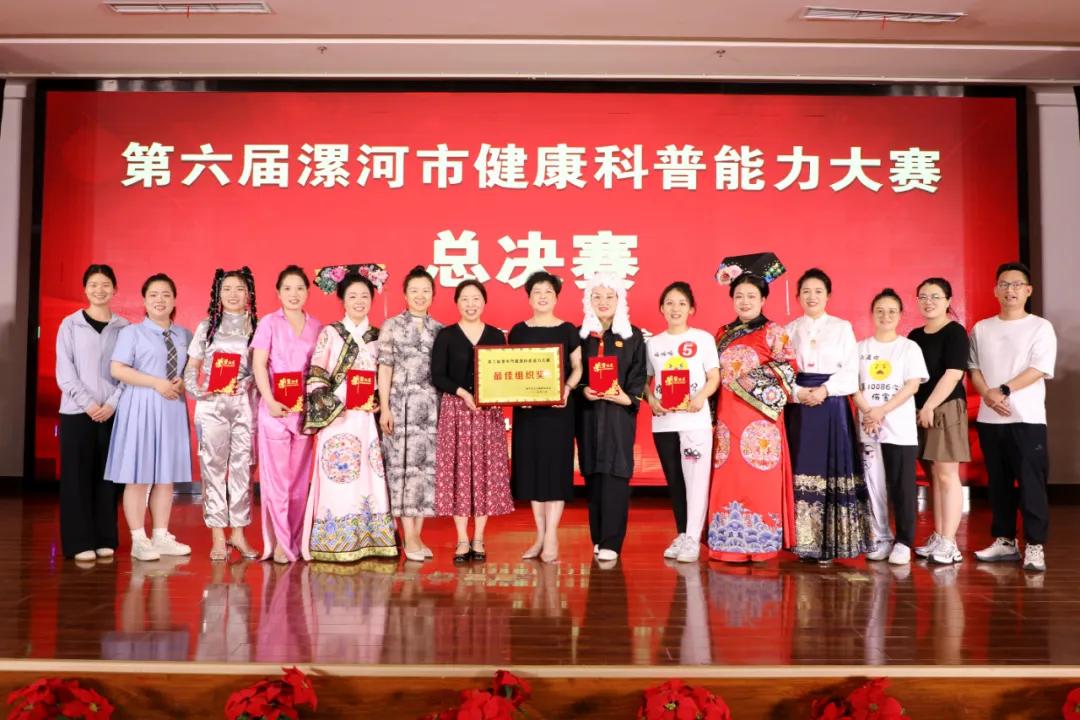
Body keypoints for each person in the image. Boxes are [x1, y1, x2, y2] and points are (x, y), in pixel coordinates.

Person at [302, 270, 398, 562]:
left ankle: (371, 540)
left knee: (368, 476)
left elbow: (385, 378)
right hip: (338, 417)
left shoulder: (378, 336)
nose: (359, 301)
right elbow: (316, 375)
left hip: (366, 420)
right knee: (339, 475)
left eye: (365, 296)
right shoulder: (330, 333)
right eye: (352, 296)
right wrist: (333, 407)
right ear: (342, 300)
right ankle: (335, 540)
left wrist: (378, 401)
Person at [706, 265, 798, 563]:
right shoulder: (722, 333)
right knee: (729, 479)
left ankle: (761, 544)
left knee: (760, 481)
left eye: (751, 296)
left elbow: (788, 369)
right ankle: (726, 544)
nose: (745, 302)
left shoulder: (775, 332)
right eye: (739, 296)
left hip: (761, 420)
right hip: (727, 417)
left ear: (763, 300)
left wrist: (744, 381)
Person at [969, 262, 1057, 572]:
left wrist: (1004, 390)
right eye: (1004, 284)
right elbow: (973, 368)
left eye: (1017, 284)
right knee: (998, 484)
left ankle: (1035, 545)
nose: (1011, 290)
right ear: (995, 290)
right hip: (991, 418)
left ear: (1028, 290)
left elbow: (1039, 368)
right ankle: (1005, 541)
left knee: (1031, 484)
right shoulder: (981, 328)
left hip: (1027, 419)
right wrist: (987, 394)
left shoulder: (1040, 327)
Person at [104, 273, 193, 562]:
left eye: (166, 294)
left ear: (175, 300)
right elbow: (118, 369)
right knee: (138, 476)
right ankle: (139, 539)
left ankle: (161, 535)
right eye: (153, 294)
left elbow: (190, 371)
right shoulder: (132, 333)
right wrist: (156, 383)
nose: (160, 300)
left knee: (166, 476)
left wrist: (182, 382)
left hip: (171, 408)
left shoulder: (185, 335)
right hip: (141, 406)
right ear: (144, 300)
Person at [785, 268, 871, 562]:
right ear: (798, 296)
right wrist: (797, 392)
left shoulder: (841, 327)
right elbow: (782, 370)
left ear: (828, 296)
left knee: (830, 469)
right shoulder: (788, 330)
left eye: (818, 291)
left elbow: (850, 370)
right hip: (799, 406)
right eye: (806, 291)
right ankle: (802, 541)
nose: (812, 296)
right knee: (801, 466)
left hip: (831, 404)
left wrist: (825, 390)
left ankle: (830, 544)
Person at [431, 279, 512, 564]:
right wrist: (464, 393)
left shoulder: (495, 336)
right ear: (457, 302)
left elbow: (502, 372)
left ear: (484, 302)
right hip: (456, 411)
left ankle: (478, 537)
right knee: (458, 473)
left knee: (485, 472)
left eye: (476, 298)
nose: (470, 304)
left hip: (487, 413)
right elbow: (438, 375)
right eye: (465, 298)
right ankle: (462, 539)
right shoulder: (446, 335)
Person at [184, 267, 260, 561]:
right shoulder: (207, 327)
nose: (233, 294)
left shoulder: (257, 326)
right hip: (212, 406)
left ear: (248, 294)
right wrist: (202, 391)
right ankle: (217, 536)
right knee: (212, 468)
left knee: (243, 469)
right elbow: (191, 369)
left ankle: (238, 534)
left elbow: (263, 368)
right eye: (226, 289)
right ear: (217, 294)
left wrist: (246, 382)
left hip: (245, 404)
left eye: (239, 288)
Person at [55, 264, 129, 561]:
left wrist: (112, 403)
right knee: (76, 478)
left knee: (108, 478)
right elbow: (65, 371)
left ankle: (104, 537)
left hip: (112, 413)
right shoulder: (70, 325)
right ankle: (79, 542)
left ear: (115, 289)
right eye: (94, 284)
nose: (100, 290)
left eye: (106, 284)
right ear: (85, 289)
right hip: (76, 413)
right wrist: (88, 404)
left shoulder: (124, 328)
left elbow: (129, 372)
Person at [508, 271, 583, 563]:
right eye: (536, 292)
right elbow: (510, 368)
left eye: (548, 292)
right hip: (527, 413)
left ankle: (552, 535)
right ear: (528, 297)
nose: (542, 296)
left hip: (559, 411)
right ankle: (539, 535)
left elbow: (578, 367)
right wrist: (517, 394)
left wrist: (567, 388)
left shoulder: (567, 329)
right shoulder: (518, 331)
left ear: (556, 297)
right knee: (533, 472)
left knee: (555, 472)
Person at [251, 265, 323, 564]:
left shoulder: (317, 326)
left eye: (300, 288)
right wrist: (269, 400)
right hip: (275, 410)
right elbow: (259, 364)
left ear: (308, 292)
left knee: (299, 482)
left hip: (303, 413)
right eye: (288, 289)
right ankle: (280, 543)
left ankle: (295, 538)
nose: (294, 294)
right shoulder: (269, 323)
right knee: (278, 482)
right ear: (278, 293)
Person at [575, 273, 648, 562]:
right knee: (593, 474)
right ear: (588, 301)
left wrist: (626, 397)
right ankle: (598, 537)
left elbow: (639, 374)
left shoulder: (633, 336)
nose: (603, 302)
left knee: (616, 474)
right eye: (597, 297)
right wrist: (583, 390)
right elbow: (571, 373)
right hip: (589, 415)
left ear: (620, 300)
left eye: (609, 296)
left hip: (619, 415)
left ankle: (612, 541)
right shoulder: (580, 336)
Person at [646, 281, 719, 563]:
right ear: (661, 308)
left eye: (681, 303)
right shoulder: (653, 343)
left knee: (696, 481)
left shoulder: (703, 339)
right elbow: (646, 380)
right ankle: (682, 533)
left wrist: (701, 397)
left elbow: (714, 377)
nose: (675, 309)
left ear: (691, 309)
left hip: (694, 421)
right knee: (675, 481)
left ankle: (693, 538)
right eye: (669, 303)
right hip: (664, 422)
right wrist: (651, 400)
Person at [853, 289, 928, 565]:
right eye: (880, 311)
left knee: (903, 486)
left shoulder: (909, 348)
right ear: (872, 314)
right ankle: (881, 536)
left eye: (892, 311)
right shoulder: (860, 348)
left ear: (900, 315)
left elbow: (912, 385)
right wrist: (868, 412)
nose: (886, 316)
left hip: (899, 428)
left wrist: (881, 411)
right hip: (869, 426)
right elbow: (852, 385)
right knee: (873, 485)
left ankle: (904, 542)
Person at [378, 266, 443, 561]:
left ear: (433, 295)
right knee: (402, 470)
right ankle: (409, 536)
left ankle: (416, 535)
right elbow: (385, 367)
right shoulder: (391, 325)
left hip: (430, 409)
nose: (420, 295)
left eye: (425, 290)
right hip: (400, 407)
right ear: (405, 294)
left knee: (425, 472)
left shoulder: (440, 329)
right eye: (414, 290)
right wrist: (385, 407)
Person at [908, 277, 970, 566]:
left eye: (935, 296)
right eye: (923, 296)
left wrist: (930, 406)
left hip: (944, 408)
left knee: (947, 475)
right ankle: (939, 534)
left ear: (948, 301)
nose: (928, 301)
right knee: (934, 476)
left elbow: (954, 373)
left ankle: (950, 542)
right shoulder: (915, 335)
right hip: (920, 410)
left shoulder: (954, 332)